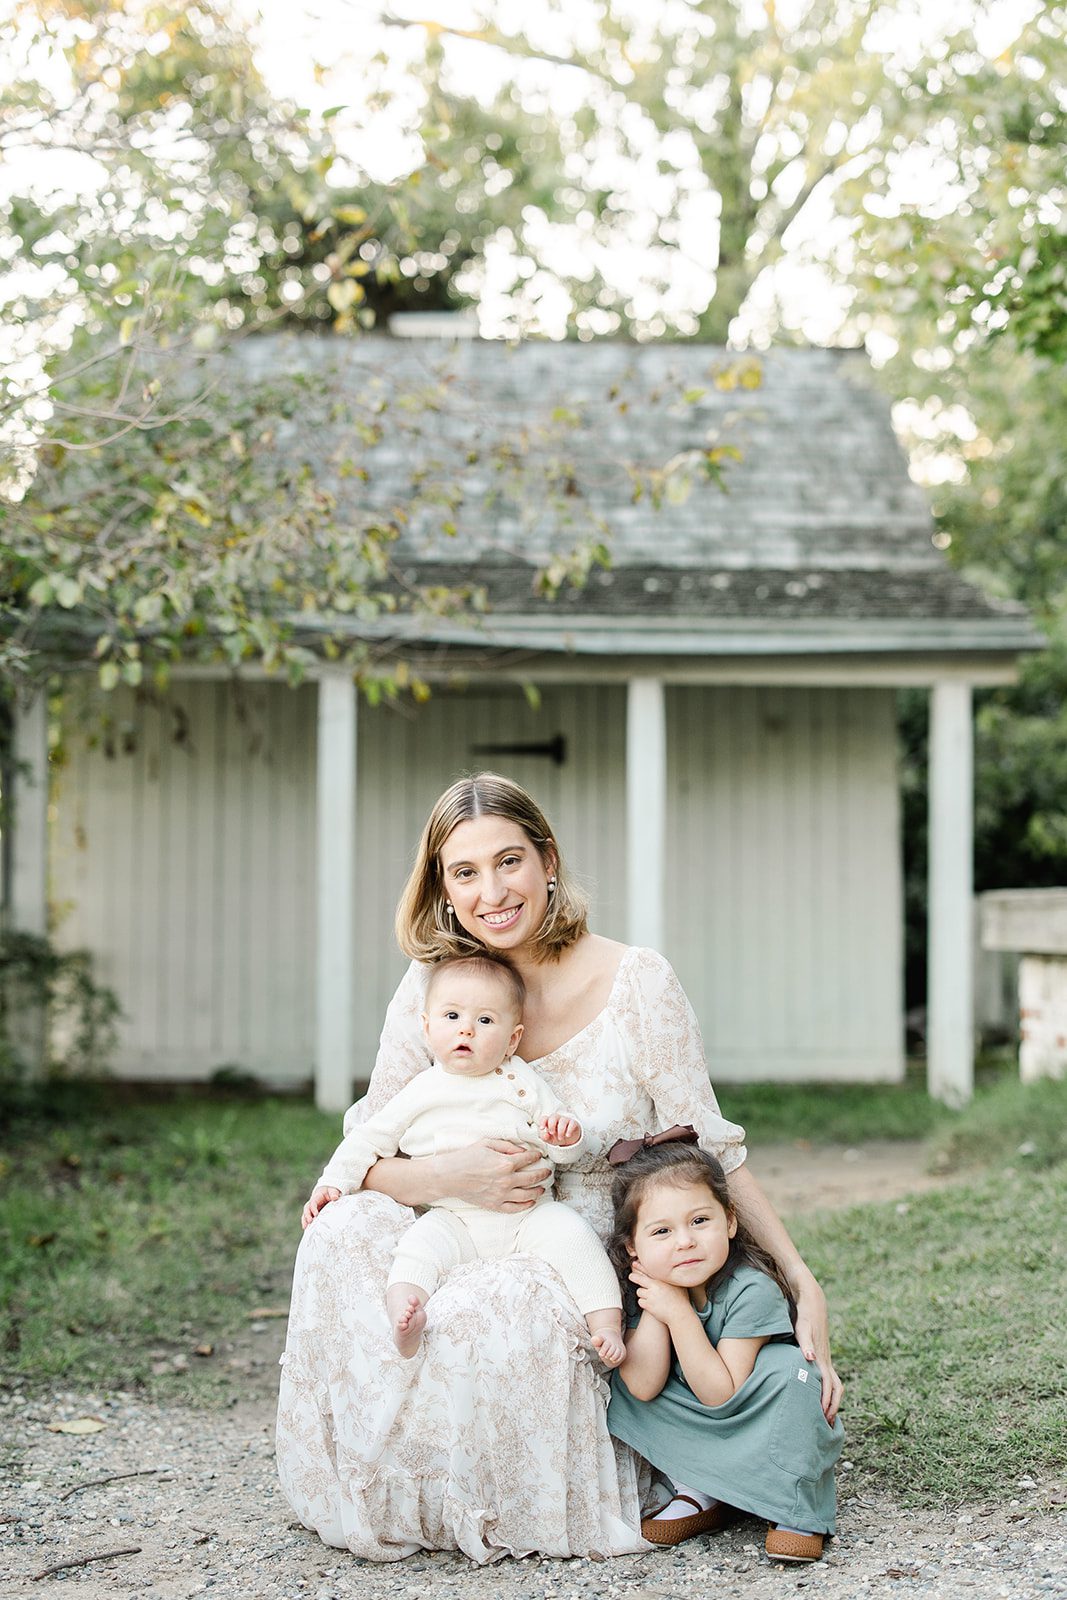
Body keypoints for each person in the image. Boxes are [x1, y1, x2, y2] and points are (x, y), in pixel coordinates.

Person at [276, 772, 843, 1564]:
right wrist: (448, 1178)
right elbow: (374, 1141)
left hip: (582, 1235)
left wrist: (800, 1278)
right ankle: (397, 1484)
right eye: (463, 872)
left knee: (502, 1297)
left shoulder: (637, 981)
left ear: (547, 860)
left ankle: (528, 1498)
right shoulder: (433, 986)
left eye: (508, 861)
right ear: (441, 888)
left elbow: (715, 1149)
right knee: (340, 1235)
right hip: (451, 1211)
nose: (490, 891)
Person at [301, 952, 625, 1365]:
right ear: (427, 1027)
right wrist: (333, 1182)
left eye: (485, 1021)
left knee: (574, 1239)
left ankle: (606, 1325)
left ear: (512, 1039)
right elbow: (368, 1139)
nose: (466, 1029)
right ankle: (406, 1315)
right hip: (454, 1218)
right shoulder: (421, 1089)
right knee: (417, 1250)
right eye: (451, 1016)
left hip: (529, 1215)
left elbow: (558, 1137)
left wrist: (565, 1136)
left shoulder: (520, 1079)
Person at [605, 1135, 844, 1563]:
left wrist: (678, 1313)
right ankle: (703, 1488)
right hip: (700, 1415)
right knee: (624, 1376)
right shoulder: (652, 1290)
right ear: (632, 1249)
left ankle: (794, 1507)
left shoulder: (751, 1288)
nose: (684, 1242)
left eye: (700, 1221)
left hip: (748, 1412)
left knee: (790, 1371)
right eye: (661, 1231)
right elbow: (642, 1388)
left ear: (731, 1222)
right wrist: (660, 1308)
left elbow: (721, 1392)